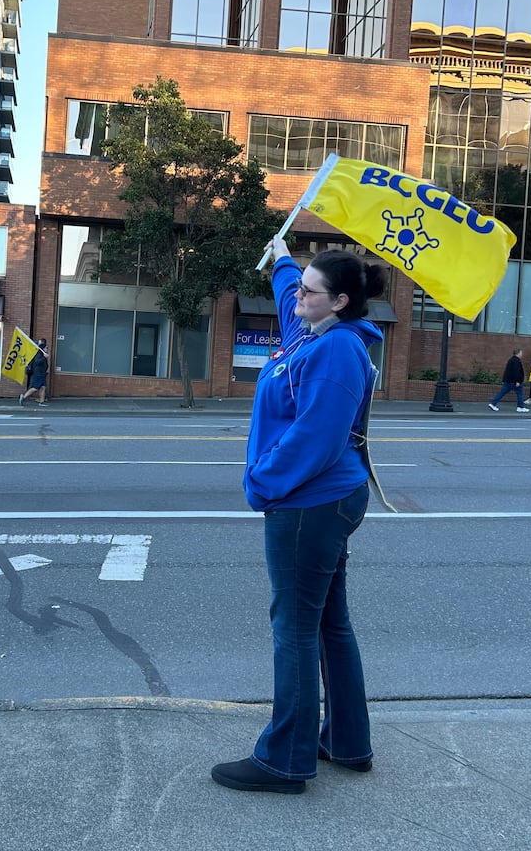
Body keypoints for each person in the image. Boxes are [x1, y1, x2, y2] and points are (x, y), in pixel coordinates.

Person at [211, 236, 383, 795]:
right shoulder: (313, 333)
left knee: (295, 629)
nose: (299, 296)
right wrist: (284, 259)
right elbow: (289, 299)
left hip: (310, 502)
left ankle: (285, 760)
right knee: (329, 622)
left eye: (312, 290)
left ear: (338, 302)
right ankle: (347, 742)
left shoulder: (337, 351)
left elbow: (318, 438)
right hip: (321, 501)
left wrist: (262, 483)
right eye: (302, 286)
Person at [487, 348, 530, 412]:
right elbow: (517, 371)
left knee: (502, 392)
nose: (522, 354)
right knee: (520, 393)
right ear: (518, 353)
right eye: (521, 353)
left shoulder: (511, 360)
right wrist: (518, 381)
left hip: (508, 380)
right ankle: (520, 407)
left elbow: (508, 371)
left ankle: (493, 403)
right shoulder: (516, 361)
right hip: (514, 381)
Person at [19, 338, 49, 406]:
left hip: (42, 374)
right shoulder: (39, 355)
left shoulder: (44, 355)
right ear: (43, 349)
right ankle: (23, 397)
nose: (47, 349)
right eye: (46, 348)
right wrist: (44, 358)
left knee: (43, 387)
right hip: (38, 374)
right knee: (35, 388)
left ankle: (41, 402)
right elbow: (37, 362)